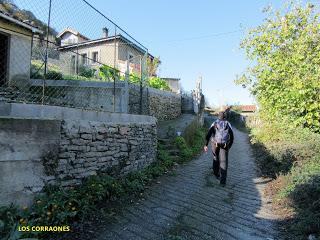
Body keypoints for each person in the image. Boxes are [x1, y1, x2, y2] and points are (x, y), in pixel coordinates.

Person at [204, 111, 234, 186]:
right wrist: (228, 146)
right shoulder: (228, 124)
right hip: (224, 145)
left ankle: (216, 174)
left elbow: (208, 135)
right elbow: (232, 137)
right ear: (225, 117)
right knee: (224, 162)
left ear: (218, 116)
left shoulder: (214, 123)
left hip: (214, 143)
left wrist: (206, 145)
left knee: (215, 157)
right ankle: (223, 182)